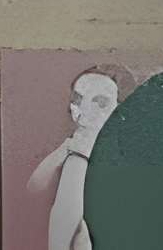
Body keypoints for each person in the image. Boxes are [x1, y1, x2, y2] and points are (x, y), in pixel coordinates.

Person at [26, 68, 123, 250]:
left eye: (115, 101)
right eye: (101, 102)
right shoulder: (76, 157)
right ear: (76, 110)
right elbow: (34, 188)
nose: (114, 109)